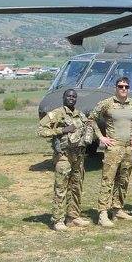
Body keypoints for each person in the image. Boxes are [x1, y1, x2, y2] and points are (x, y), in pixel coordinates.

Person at [38, 89, 91, 231]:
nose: (71, 98)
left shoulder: (80, 115)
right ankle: (58, 220)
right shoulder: (56, 114)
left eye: (74, 96)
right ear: (63, 98)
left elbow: (88, 128)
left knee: (76, 187)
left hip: (78, 157)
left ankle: (73, 217)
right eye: (69, 96)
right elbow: (41, 130)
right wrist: (62, 131)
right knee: (61, 188)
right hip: (63, 156)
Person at [90, 76, 132, 227]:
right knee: (108, 180)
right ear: (116, 88)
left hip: (127, 148)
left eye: (126, 86)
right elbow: (91, 119)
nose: (123, 89)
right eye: (120, 86)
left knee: (124, 179)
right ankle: (103, 213)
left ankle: (117, 209)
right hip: (113, 147)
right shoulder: (107, 103)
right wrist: (101, 137)